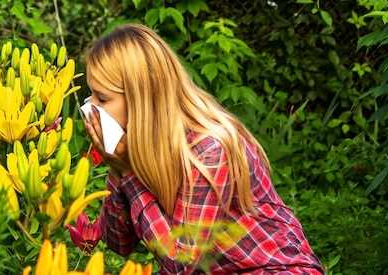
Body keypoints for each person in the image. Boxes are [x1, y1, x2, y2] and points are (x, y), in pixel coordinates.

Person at [82, 23, 324, 275]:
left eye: (103, 98)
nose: (91, 107)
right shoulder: (140, 147)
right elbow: (118, 243)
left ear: (142, 97)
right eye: (91, 95)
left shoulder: (209, 148)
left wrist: (129, 174)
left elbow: (180, 263)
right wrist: (117, 169)